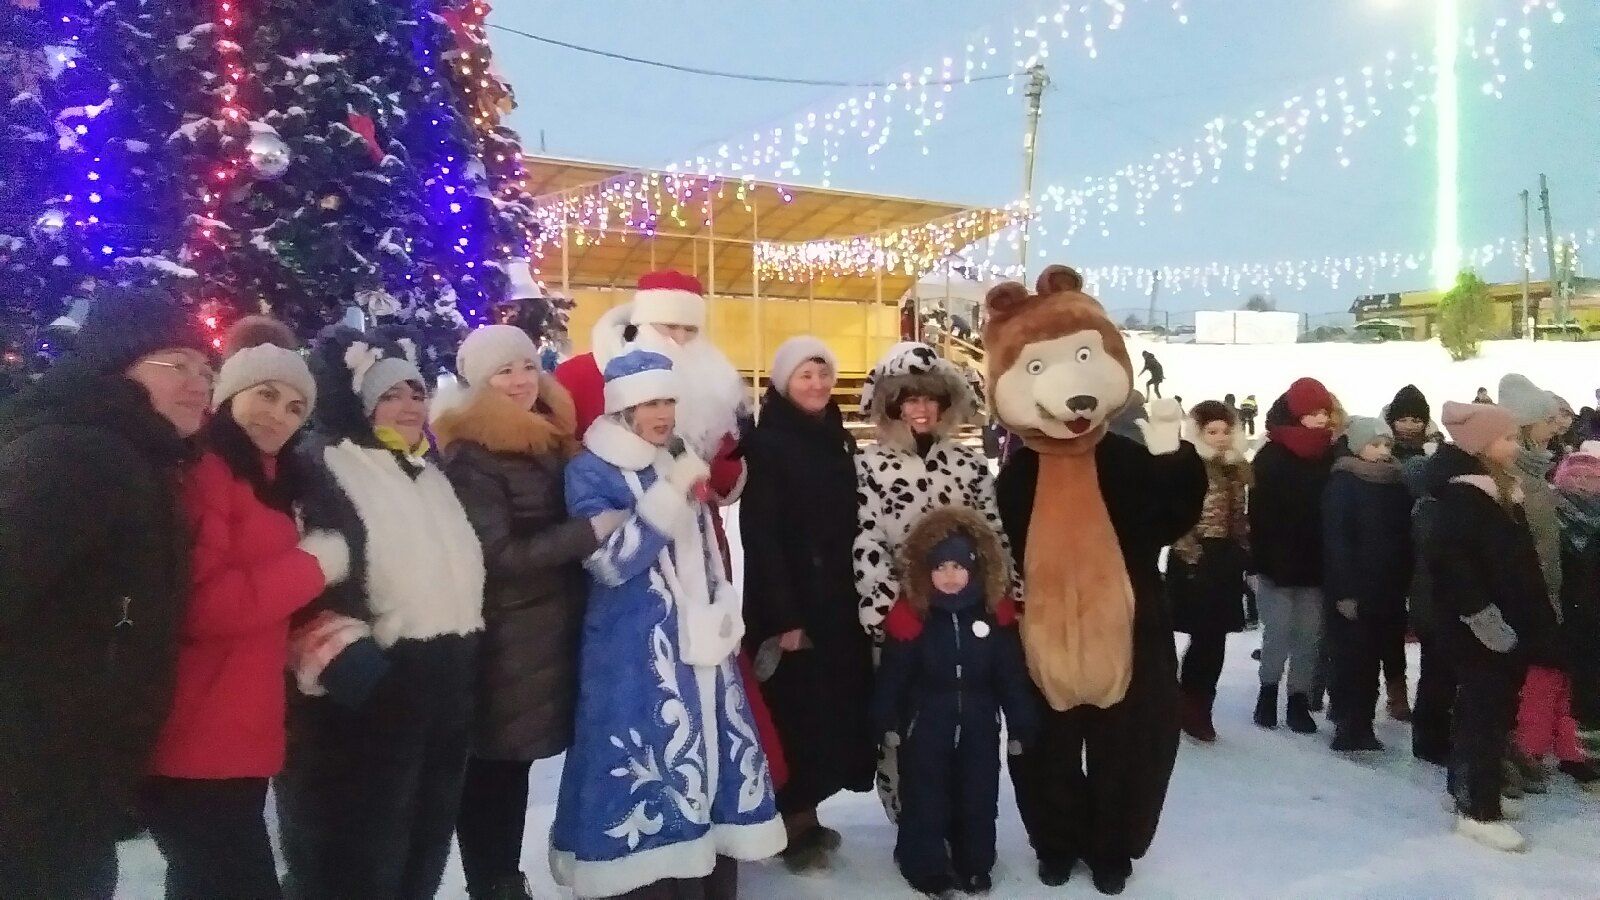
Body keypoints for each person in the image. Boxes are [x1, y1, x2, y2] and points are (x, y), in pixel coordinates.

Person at [552, 348, 784, 899]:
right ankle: (641, 880)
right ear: (622, 409)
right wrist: (670, 493)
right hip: (631, 651)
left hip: (702, 646)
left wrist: (723, 603)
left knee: (711, 764)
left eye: (669, 400)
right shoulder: (590, 469)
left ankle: (707, 873)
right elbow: (610, 565)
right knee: (645, 760)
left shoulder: (673, 455)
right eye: (650, 402)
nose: (663, 413)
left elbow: (703, 550)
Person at [0, 288, 206, 898]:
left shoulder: (138, 459)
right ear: (118, 364)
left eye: (206, 369)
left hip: (73, 773)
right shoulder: (81, 453)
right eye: (177, 363)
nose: (198, 383)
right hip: (32, 776)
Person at [138, 318, 348, 899]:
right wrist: (314, 565)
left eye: (294, 406)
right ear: (231, 394)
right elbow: (204, 606)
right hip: (196, 734)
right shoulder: (208, 473)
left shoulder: (276, 482)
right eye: (265, 394)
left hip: (241, 731)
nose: (276, 414)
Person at [276, 327, 487, 899]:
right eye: (392, 394)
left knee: (421, 849)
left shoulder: (425, 471)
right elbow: (300, 583)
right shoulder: (323, 463)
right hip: (365, 698)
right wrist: (368, 682)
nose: (411, 405)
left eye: (417, 393)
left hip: (443, 689)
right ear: (361, 402)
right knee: (355, 859)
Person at [553, 270, 786, 788]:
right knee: (643, 709)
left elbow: (727, 461)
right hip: (623, 568)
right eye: (667, 327)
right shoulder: (583, 376)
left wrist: (721, 477)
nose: (680, 341)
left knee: (720, 693)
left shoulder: (713, 385)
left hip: (700, 551)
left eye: (689, 331)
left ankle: (722, 819)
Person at [434, 325, 608, 900]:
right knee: (494, 770)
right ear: (478, 382)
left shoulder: (550, 438)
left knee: (513, 767)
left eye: (527, 368)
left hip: (546, 631)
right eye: (503, 372)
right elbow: (498, 554)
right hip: (508, 636)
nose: (518, 381)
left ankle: (503, 878)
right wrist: (587, 533)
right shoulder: (472, 453)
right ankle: (495, 882)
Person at [853, 341, 1013, 820]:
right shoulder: (870, 465)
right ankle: (911, 817)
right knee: (905, 723)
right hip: (905, 621)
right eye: (910, 399)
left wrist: (999, 594)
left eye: (929, 399)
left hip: (963, 621)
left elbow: (993, 533)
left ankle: (962, 818)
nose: (920, 410)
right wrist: (886, 605)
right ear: (893, 405)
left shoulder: (966, 464)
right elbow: (865, 539)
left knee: (963, 722)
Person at [740, 337, 874, 871]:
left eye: (822, 373)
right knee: (794, 712)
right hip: (791, 602)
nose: (816, 384)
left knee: (828, 710)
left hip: (837, 598)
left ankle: (809, 816)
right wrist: (785, 618)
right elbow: (763, 536)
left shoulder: (835, 437)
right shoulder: (769, 443)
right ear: (781, 383)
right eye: (804, 375)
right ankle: (792, 825)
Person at [873, 507, 1038, 898]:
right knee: (926, 798)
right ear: (926, 570)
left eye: (958, 566)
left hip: (980, 723)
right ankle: (924, 864)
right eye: (940, 566)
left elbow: (1010, 674)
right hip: (926, 723)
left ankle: (975, 863)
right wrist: (886, 720)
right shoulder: (913, 615)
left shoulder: (993, 613)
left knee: (978, 795)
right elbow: (894, 675)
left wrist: (1021, 721)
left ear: (975, 567)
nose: (950, 576)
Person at [1425, 401, 1554, 852]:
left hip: (1504, 621)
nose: (1515, 446)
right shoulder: (1464, 497)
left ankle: (1469, 788)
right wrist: (1482, 617)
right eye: (1507, 439)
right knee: (1484, 714)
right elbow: (1455, 566)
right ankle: (1478, 810)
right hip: (1481, 626)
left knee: (1489, 712)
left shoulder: (1499, 490)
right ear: (1482, 446)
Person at [1251, 377, 1338, 734]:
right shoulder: (1271, 456)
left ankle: (1298, 699)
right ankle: (1267, 691)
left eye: (1324, 413)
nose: (1320, 420)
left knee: (1309, 636)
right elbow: (1257, 512)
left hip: (1316, 560)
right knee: (1278, 633)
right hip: (1278, 562)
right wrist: (1257, 562)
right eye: (1313, 413)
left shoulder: (1331, 454)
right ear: (1297, 413)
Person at [1322, 417, 1413, 753]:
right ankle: (1350, 723)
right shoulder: (1344, 481)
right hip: (1355, 586)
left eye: (1387, 445)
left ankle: (1363, 724)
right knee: (1353, 658)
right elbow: (1337, 540)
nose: (1382, 451)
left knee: (1375, 654)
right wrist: (1344, 590)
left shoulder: (1395, 483)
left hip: (1387, 585)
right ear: (1358, 446)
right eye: (1375, 444)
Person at [1497, 374, 1566, 794]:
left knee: (1526, 678)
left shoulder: (1535, 469)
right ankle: (1503, 759)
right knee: (1510, 681)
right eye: (1546, 419)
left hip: (1541, 587)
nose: (1555, 425)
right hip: (1521, 591)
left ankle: (1518, 753)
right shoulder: (1515, 475)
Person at [1167, 400, 1251, 743]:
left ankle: (1200, 705)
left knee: (1214, 637)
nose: (1219, 437)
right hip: (1194, 556)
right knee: (1186, 630)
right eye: (1211, 431)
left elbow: (1240, 515)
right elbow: (1176, 513)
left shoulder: (1237, 466)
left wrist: (1243, 550)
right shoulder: (1186, 463)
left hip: (1225, 558)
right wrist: (1190, 552)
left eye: (1225, 430)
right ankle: (1174, 699)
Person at [1553, 443, 1600, 757]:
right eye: (1576, 476)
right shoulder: (1552, 512)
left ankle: (1583, 746)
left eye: (1591, 478)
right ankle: (1567, 747)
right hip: (1562, 606)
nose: (1583, 483)